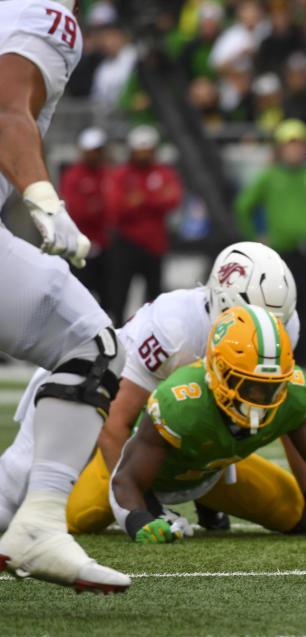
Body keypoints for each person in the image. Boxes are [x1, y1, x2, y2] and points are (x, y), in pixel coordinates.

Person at [0, 241, 306, 534]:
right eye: (254, 318)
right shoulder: (174, 327)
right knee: (45, 509)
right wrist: (145, 507)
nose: (265, 331)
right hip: (110, 422)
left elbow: (287, 412)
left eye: (275, 323)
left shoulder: (280, 328)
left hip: (199, 458)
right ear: (224, 303)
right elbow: (114, 422)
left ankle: (207, 500)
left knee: (292, 509)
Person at [0, 0, 130, 594]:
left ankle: (29, 519)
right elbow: (6, 110)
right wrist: (44, 198)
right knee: (91, 340)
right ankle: (38, 521)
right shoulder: (41, 9)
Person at [110, 305, 306, 544]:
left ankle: (209, 504)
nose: (259, 398)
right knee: (77, 518)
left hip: (209, 474)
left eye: (270, 386)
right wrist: (140, 517)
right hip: (144, 475)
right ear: (217, 371)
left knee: (294, 513)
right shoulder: (181, 400)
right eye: (248, 385)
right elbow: (125, 479)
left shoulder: (291, 393)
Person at [235, 119, 306, 368]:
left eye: (298, 144)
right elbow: (244, 206)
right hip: (281, 253)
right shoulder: (270, 176)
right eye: (289, 144)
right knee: (282, 306)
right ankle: (284, 358)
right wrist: (257, 237)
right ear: (280, 147)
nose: (294, 149)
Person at [103, 124, 183, 324]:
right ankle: (118, 331)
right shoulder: (121, 174)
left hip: (155, 244)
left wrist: (141, 199)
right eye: (140, 151)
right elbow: (115, 207)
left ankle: (153, 332)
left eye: (147, 151)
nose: (144, 156)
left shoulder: (163, 172)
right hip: (126, 243)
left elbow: (173, 198)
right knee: (120, 293)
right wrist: (154, 199)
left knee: (154, 296)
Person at [59, 126, 113, 304]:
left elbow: (118, 208)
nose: (95, 155)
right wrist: (101, 207)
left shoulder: (108, 173)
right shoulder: (74, 175)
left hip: (106, 246)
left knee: (109, 299)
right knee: (79, 299)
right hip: (80, 249)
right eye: (91, 151)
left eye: (98, 150)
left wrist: (98, 206)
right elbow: (77, 211)